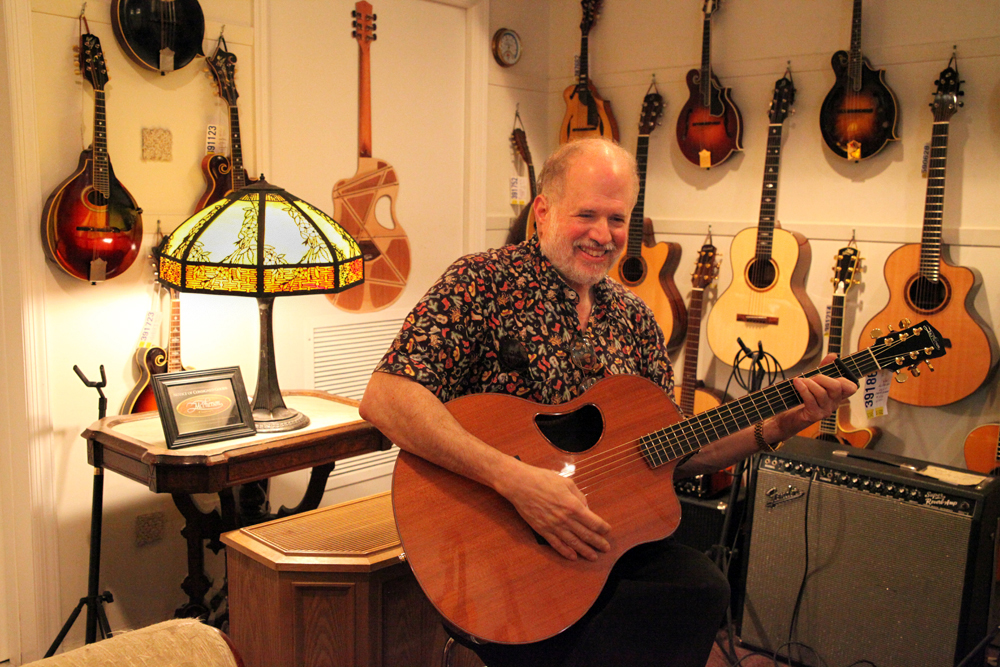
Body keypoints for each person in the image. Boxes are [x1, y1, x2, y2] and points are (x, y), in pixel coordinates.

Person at [359, 138, 857, 667]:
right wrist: (516, 480)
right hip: (494, 549)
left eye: (617, 219)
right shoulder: (481, 283)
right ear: (543, 211)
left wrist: (777, 424)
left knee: (702, 588)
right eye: (587, 215)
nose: (603, 235)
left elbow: (670, 450)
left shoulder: (634, 318)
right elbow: (386, 396)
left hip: (594, 544)